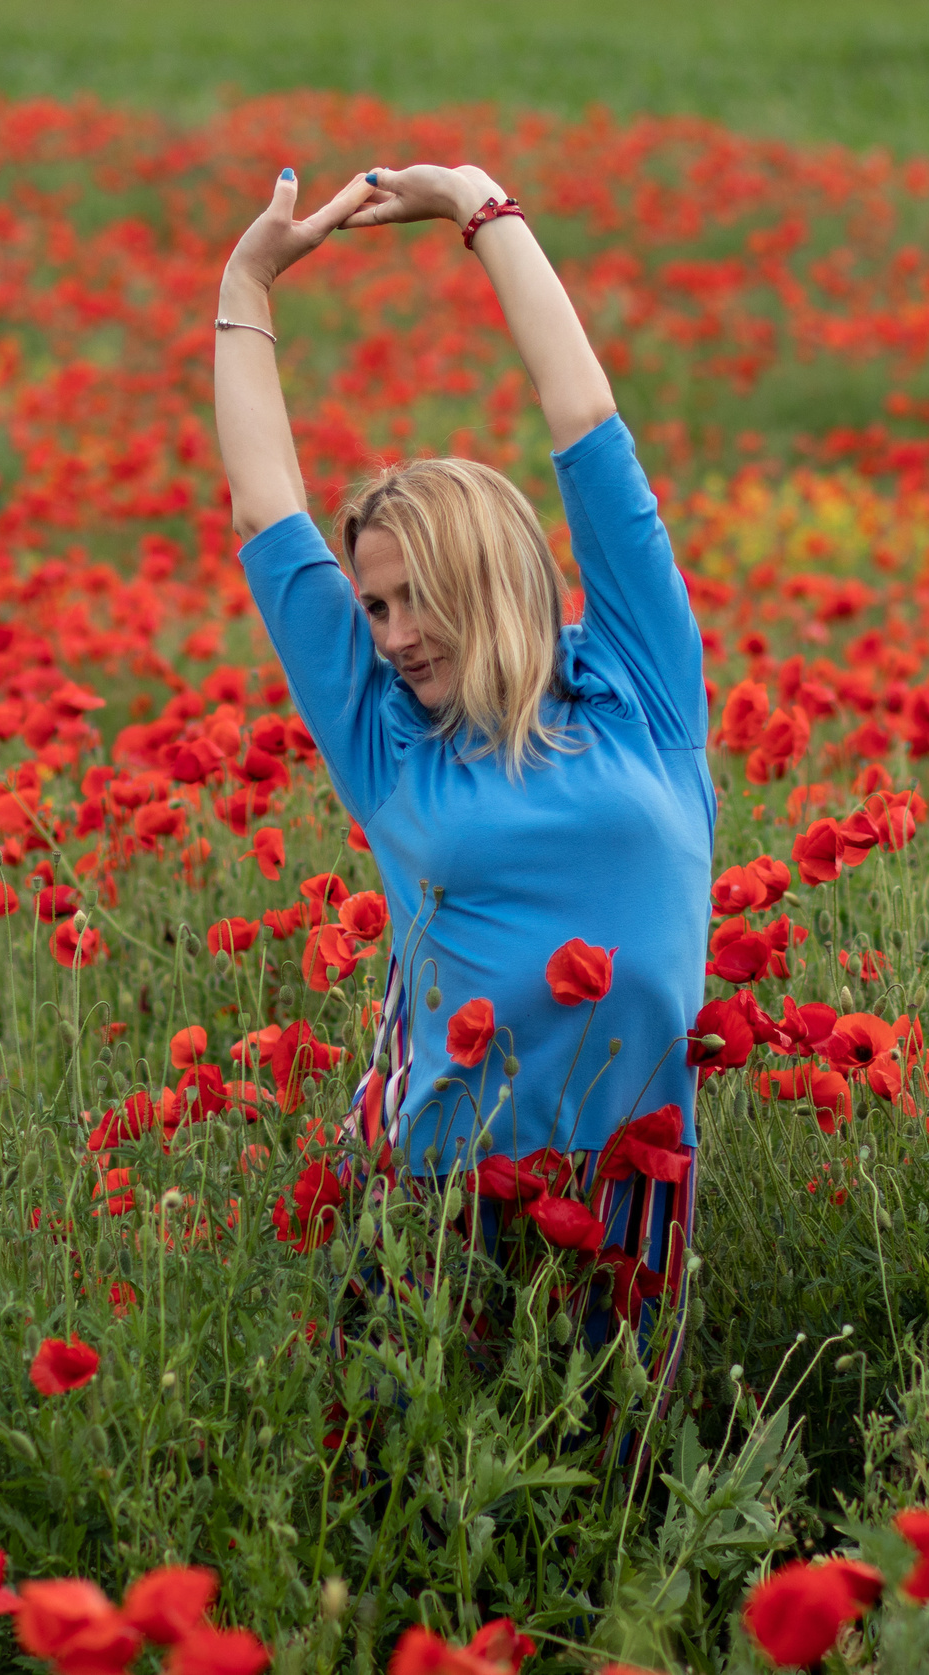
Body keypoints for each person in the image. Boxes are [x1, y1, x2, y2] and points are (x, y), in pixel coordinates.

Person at [215, 162, 711, 1374]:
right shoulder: (388, 738)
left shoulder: (638, 686)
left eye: (414, 598)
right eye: (373, 606)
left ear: (487, 576)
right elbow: (267, 512)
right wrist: (246, 285)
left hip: (632, 1178)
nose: (391, 636)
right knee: (411, 1465)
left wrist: (477, 206)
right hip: (436, 1193)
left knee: (614, 1461)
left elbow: (585, 421)